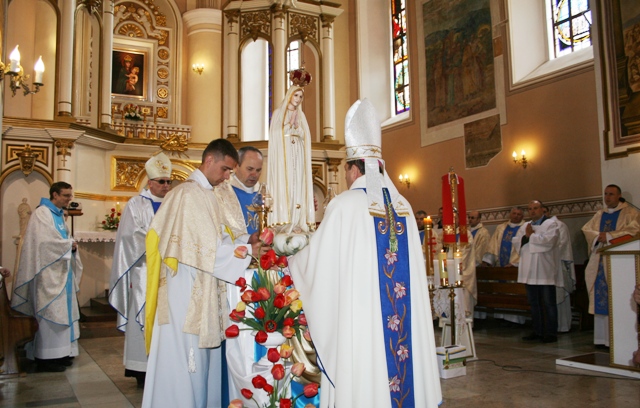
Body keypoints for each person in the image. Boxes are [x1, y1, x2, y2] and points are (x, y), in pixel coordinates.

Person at [289, 99, 442, 408]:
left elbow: (317, 266)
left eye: (346, 170)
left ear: (352, 168)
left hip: (360, 324)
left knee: (363, 372)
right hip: (400, 328)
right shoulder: (404, 208)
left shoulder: (344, 205)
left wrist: (292, 254)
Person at [142, 139, 268, 408]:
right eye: (225, 169)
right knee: (185, 360)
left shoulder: (206, 193)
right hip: (185, 294)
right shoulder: (189, 194)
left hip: (199, 287)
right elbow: (205, 250)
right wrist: (247, 252)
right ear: (209, 160)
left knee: (200, 364)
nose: (226, 177)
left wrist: (248, 240)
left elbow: (219, 237)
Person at [108, 152, 173, 388]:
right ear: (150, 183)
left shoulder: (172, 204)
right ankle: (141, 369)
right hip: (144, 271)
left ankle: (164, 366)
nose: (166, 186)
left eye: (168, 182)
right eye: (161, 182)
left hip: (168, 272)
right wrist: (161, 244)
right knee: (143, 318)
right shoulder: (136, 204)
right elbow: (129, 236)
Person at [11, 182, 83, 372]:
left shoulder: (58, 214)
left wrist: (70, 245)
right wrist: (69, 245)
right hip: (47, 275)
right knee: (50, 314)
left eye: (70, 195)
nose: (69, 199)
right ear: (55, 195)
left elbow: (62, 238)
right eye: (66, 195)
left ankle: (60, 354)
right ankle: (45, 357)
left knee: (63, 314)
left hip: (61, 273)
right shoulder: (42, 213)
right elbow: (43, 243)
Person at [582, 184, 640, 347]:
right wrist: (597, 237)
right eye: (606, 194)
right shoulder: (600, 214)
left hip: (618, 265)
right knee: (601, 298)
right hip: (600, 262)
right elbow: (587, 230)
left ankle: (618, 339)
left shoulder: (631, 213)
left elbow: (633, 232)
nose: (607, 197)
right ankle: (602, 339)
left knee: (617, 297)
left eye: (611, 194)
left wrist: (607, 236)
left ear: (619, 196)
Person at [267, 86, 315, 234]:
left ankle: (298, 221)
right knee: (286, 184)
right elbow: (275, 134)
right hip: (284, 155)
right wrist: (289, 124)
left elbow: (305, 135)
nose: (298, 99)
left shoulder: (301, 116)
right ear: (289, 95)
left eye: (301, 97)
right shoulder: (278, 113)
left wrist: (297, 127)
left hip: (297, 154)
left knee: (298, 184)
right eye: (296, 95)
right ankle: (284, 221)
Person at [513, 200, 562, 343]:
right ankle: (537, 330)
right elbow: (517, 242)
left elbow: (549, 242)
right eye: (530, 209)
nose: (532, 211)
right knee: (534, 302)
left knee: (548, 302)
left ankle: (551, 332)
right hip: (529, 270)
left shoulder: (551, 224)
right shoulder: (525, 226)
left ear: (542, 209)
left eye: (535, 208)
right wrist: (527, 237)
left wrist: (530, 237)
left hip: (544, 269)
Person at [543, 205, 576, 333]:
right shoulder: (539, 226)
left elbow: (562, 245)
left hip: (558, 265)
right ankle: (550, 325)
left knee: (560, 295)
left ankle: (563, 325)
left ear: (549, 212)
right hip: (544, 267)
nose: (544, 215)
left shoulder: (559, 225)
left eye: (545, 212)